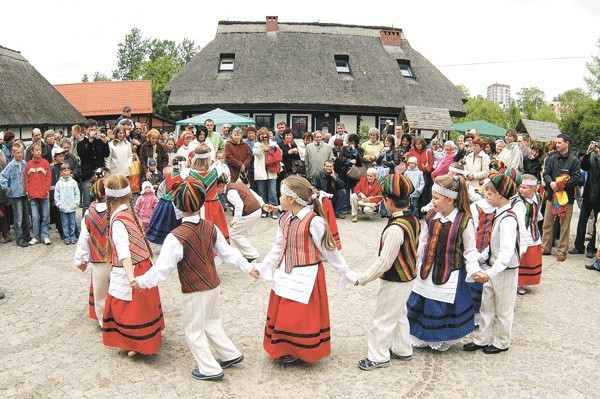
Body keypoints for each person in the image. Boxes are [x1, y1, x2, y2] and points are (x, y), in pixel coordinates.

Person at [131, 178, 258, 380]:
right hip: (213, 284)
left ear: (177, 205)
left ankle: (210, 369)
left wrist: (142, 281)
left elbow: (162, 270)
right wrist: (248, 266)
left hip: (194, 288)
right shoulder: (211, 227)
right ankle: (229, 354)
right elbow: (229, 254)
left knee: (194, 329)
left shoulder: (176, 236)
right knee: (212, 321)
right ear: (201, 202)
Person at [254, 175, 357, 364]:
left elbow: (329, 250)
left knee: (298, 316)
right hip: (286, 273)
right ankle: (285, 348)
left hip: (307, 274)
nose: (279, 199)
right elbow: (278, 246)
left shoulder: (314, 221)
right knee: (284, 313)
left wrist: (345, 271)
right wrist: (264, 266)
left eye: (281, 195)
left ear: (291, 199)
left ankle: (300, 349)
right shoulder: (285, 218)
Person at [407, 175, 480, 351]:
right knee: (422, 300)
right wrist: (417, 258)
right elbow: (424, 240)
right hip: (428, 268)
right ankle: (421, 335)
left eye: (436, 198)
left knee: (441, 304)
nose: (433, 201)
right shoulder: (432, 215)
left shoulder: (464, 220)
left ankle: (441, 338)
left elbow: (470, 249)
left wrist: (474, 270)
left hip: (450, 271)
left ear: (449, 200)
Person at [356, 174, 419, 370]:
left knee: (382, 318)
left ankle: (378, 356)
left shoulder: (395, 228)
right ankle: (403, 348)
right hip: (408, 277)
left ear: (389, 201)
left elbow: (384, 261)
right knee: (399, 313)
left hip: (395, 279)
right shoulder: (413, 219)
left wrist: (362, 278)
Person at [102, 175, 164, 356]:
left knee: (127, 307)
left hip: (132, 268)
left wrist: (131, 278)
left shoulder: (119, 220)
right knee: (143, 306)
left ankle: (135, 342)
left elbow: (124, 252)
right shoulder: (128, 213)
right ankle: (146, 337)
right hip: (143, 264)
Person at [463, 174, 520, 354]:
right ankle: (482, 338)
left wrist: (490, 272)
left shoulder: (508, 219)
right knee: (486, 305)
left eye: (490, 193)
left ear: (500, 195)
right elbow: (492, 244)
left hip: (505, 270)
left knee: (503, 308)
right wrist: (481, 257)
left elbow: (506, 252)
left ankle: (502, 341)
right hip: (492, 267)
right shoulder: (498, 214)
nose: (487, 196)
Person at [74, 178, 111, 327]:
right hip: (115, 260)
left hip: (97, 262)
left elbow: (84, 239)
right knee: (116, 291)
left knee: (100, 294)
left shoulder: (88, 215)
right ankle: (117, 319)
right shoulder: (115, 211)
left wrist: (80, 260)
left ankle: (103, 321)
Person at [541, 134, 580, 262]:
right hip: (551, 196)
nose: (557, 145)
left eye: (559, 143)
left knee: (565, 226)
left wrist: (562, 185)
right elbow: (546, 173)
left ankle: (562, 251)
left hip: (566, 198)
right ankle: (545, 247)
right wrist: (551, 183)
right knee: (547, 223)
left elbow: (576, 178)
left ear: (567, 143)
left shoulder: (574, 160)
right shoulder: (552, 158)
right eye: (556, 143)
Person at [216, 174, 264, 262]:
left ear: (221, 185)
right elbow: (252, 192)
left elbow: (239, 205)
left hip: (249, 212)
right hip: (256, 210)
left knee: (234, 233)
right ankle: (249, 254)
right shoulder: (237, 183)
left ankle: (252, 255)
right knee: (242, 233)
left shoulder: (230, 191)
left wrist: (235, 220)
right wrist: (262, 204)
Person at [187, 145, 230, 242]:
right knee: (217, 230)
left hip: (197, 206)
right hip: (214, 205)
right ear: (208, 159)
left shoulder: (190, 174)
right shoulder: (215, 171)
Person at [570, 141, 600, 258]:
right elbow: (583, 167)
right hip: (588, 194)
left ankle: (592, 248)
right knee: (582, 220)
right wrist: (588, 153)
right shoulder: (592, 155)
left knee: (596, 224)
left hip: (599, 196)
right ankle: (579, 246)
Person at [515, 175, 543, 295]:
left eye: (525, 187)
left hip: (533, 231)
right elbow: (519, 223)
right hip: (522, 232)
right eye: (520, 187)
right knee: (522, 258)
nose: (521, 190)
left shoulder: (538, 198)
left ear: (533, 189)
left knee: (530, 259)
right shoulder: (518, 202)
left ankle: (525, 281)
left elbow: (538, 215)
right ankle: (518, 283)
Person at [146, 158, 184, 245]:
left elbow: (161, 189)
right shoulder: (182, 176)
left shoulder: (171, 175)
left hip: (164, 204)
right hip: (174, 205)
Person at [0, 143, 30, 247]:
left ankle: (26, 235)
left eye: (21, 152)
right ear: (13, 153)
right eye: (17, 152)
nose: (20, 154)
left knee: (26, 216)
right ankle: (19, 238)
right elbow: (2, 176)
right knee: (18, 218)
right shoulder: (11, 165)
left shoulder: (25, 163)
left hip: (24, 193)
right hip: (16, 195)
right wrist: (7, 188)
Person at [77, 119, 110, 215]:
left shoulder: (99, 142)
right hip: (88, 175)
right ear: (86, 130)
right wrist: (90, 141)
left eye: (94, 129)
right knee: (87, 202)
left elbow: (106, 154)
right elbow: (83, 155)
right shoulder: (81, 143)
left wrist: (105, 143)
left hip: (100, 175)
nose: (93, 131)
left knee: (102, 199)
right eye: (91, 129)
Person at [26, 143, 52, 245]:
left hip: (44, 194)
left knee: (45, 216)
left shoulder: (45, 163)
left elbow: (48, 177)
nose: (38, 152)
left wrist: (46, 189)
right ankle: (36, 236)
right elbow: (27, 180)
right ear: (32, 152)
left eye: (39, 150)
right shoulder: (28, 165)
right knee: (35, 217)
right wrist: (29, 190)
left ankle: (45, 235)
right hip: (33, 195)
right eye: (36, 150)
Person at [253, 130, 280, 218]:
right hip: (261, 171)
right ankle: (264, 210)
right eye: (261, 135)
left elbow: (279, 153)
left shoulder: (274, 144)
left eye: (265, 135)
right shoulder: (257, 145)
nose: (263, 137)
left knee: (272, 191)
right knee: (262, 192)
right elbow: (256, 153)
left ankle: (273, 211)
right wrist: (262, 144)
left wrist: (269, 148)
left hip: (271, 170)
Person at [54, 163, 79, 244]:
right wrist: (59, 204)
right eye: (65, 170)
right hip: (63, 207)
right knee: (65, 223)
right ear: (61, 172)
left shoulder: (73, 182)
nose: (67, 172)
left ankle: (73, 236)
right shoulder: (59, 184)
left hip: (72, 207)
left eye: (68, 170)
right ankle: (66, 237)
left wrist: (76, 203)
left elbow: (77, 193)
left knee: (72, 223)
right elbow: (56, 195)